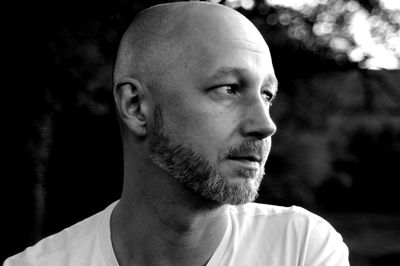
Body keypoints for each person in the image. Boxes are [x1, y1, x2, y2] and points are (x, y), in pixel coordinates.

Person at [3, 1, 349, 266]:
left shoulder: (300, 248)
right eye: (229, 88)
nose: (265, 124)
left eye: (266, 95)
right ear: (136, 106)